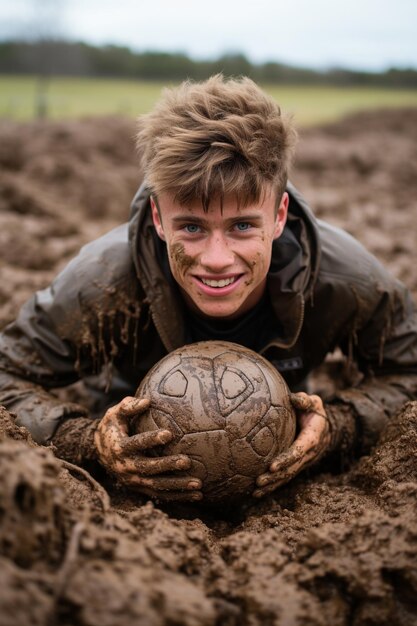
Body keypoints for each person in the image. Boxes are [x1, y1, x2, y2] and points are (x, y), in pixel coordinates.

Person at [1, 75, 416, 503]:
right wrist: (89, 441)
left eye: (242, 226)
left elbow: (410, 370)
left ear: (278, 215)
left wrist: (338, 429)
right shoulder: (103, 285)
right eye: (192, 227)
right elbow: (5, 374)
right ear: (159, 218)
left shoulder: (344, 281)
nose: (216, 259)